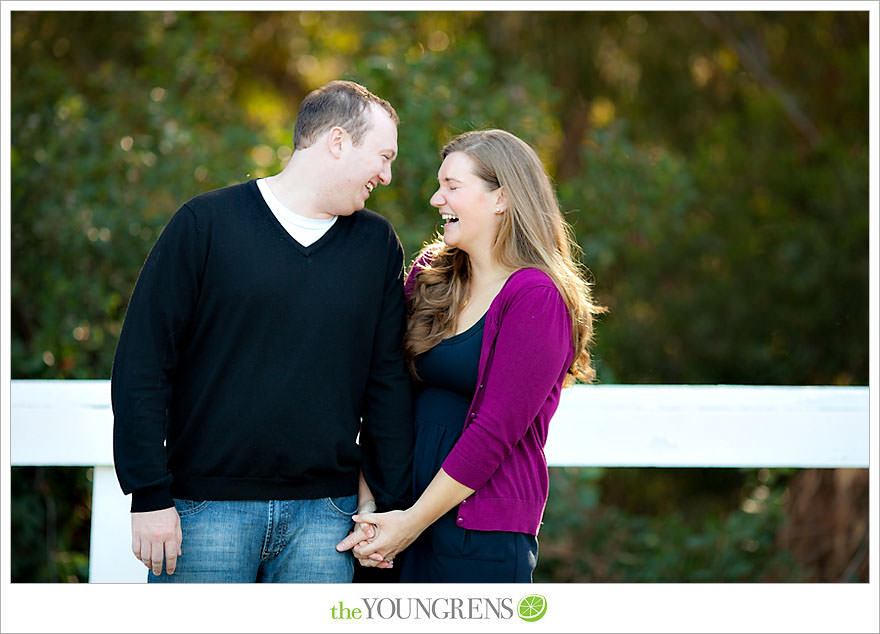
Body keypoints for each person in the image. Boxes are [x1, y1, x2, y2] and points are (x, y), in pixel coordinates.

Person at [111, 80, 413, 583]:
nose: (386, 175)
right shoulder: (205, 225)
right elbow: (143, 363)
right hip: (204, 511)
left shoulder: (376, 246)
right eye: (383, 156)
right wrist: (148, 494)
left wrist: (388, 502)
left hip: (327, 519)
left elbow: (387, 383)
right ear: (337, 142)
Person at [336, 129, 604, 582]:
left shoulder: (537, 296)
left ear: (501, 198)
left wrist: (411, 523)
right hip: (391, 518)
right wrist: (370, 507)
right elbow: (383, 392)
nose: (436, 199)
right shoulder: (429, 277)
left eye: (452, 187)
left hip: (476, 532)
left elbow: (495, 431)